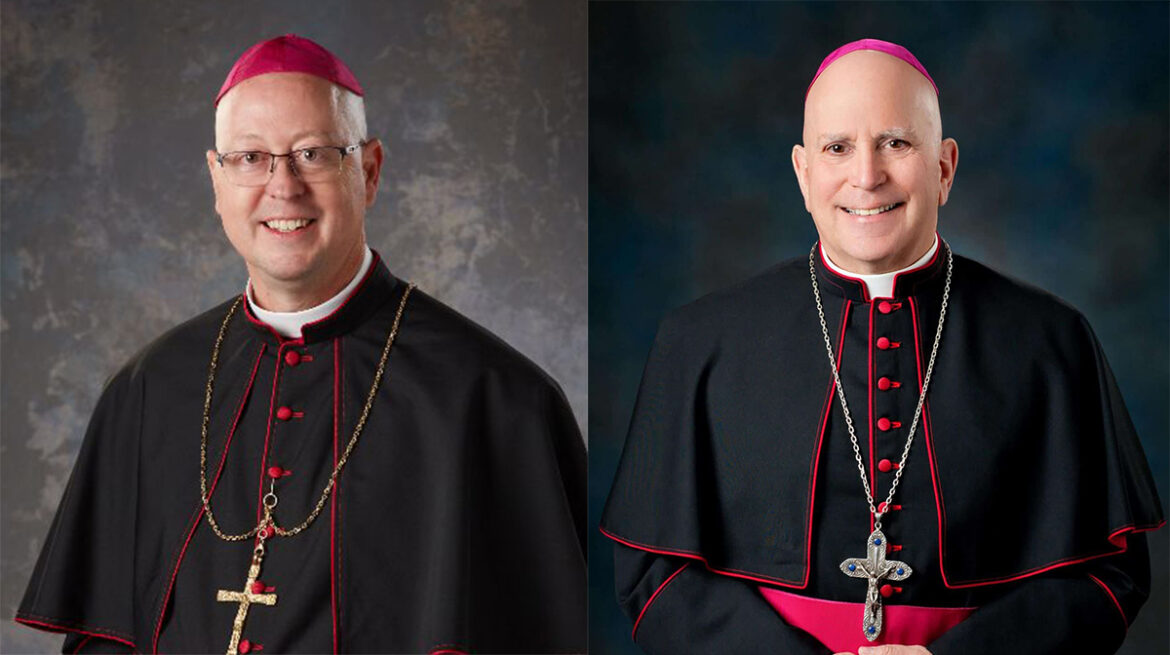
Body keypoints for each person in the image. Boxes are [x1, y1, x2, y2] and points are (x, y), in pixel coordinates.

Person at [15, 34, 586, 655]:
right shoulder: (148, 388)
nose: (283, 187)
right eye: (250, 157)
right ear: (216, 180)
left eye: (313, 153)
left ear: (368, 171)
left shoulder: (493, 398)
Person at [601, 38, 1163, 654]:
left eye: (896, 143)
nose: (867, 177)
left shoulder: (1050, 342)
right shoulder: (700, 342)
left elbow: (1109, 577)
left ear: (944, 167)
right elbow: (654, 576)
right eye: (837, 148)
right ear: (804, 174)